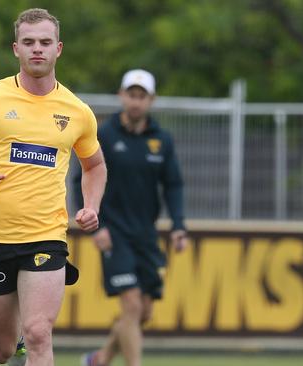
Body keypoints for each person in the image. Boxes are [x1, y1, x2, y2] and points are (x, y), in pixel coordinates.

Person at [0, 8, 107, 366]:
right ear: (16, 49)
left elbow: (94, 165)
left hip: (46, 236)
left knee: (40, 331)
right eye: (29, 42)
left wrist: (92, 205)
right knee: (3, 350)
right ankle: (20, 352)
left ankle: (34, 347)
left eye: (45, 42)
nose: (37, 49)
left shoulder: (77, 111)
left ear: (59, 48)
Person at [76, 69, 188, 366]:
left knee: (143, 313)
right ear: (121, 96)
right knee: (131, 304)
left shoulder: (161, 140)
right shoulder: (104, 135)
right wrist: (94, 223)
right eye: (132, 95)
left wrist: (178, 226)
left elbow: (173, 185)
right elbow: (81, 178)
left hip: (146, 235)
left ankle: (100, 359)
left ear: (152, 100)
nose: (136, 102)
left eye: (142, 97)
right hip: (113, 232)